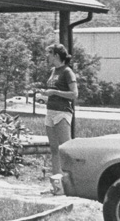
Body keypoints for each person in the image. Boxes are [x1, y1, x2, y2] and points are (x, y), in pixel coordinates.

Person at [40, 42, 78, 194]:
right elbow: (53, 89)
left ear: (56, 55)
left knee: (65, 150)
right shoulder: (53, 71)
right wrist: (46, 93)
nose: (47, 56)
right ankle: (57, 187)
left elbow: (74, 94)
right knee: (54, 150)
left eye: (49, 53)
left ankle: (72, 184)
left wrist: (54, 93)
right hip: (50, 112)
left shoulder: (67, 71)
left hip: (62, 113)